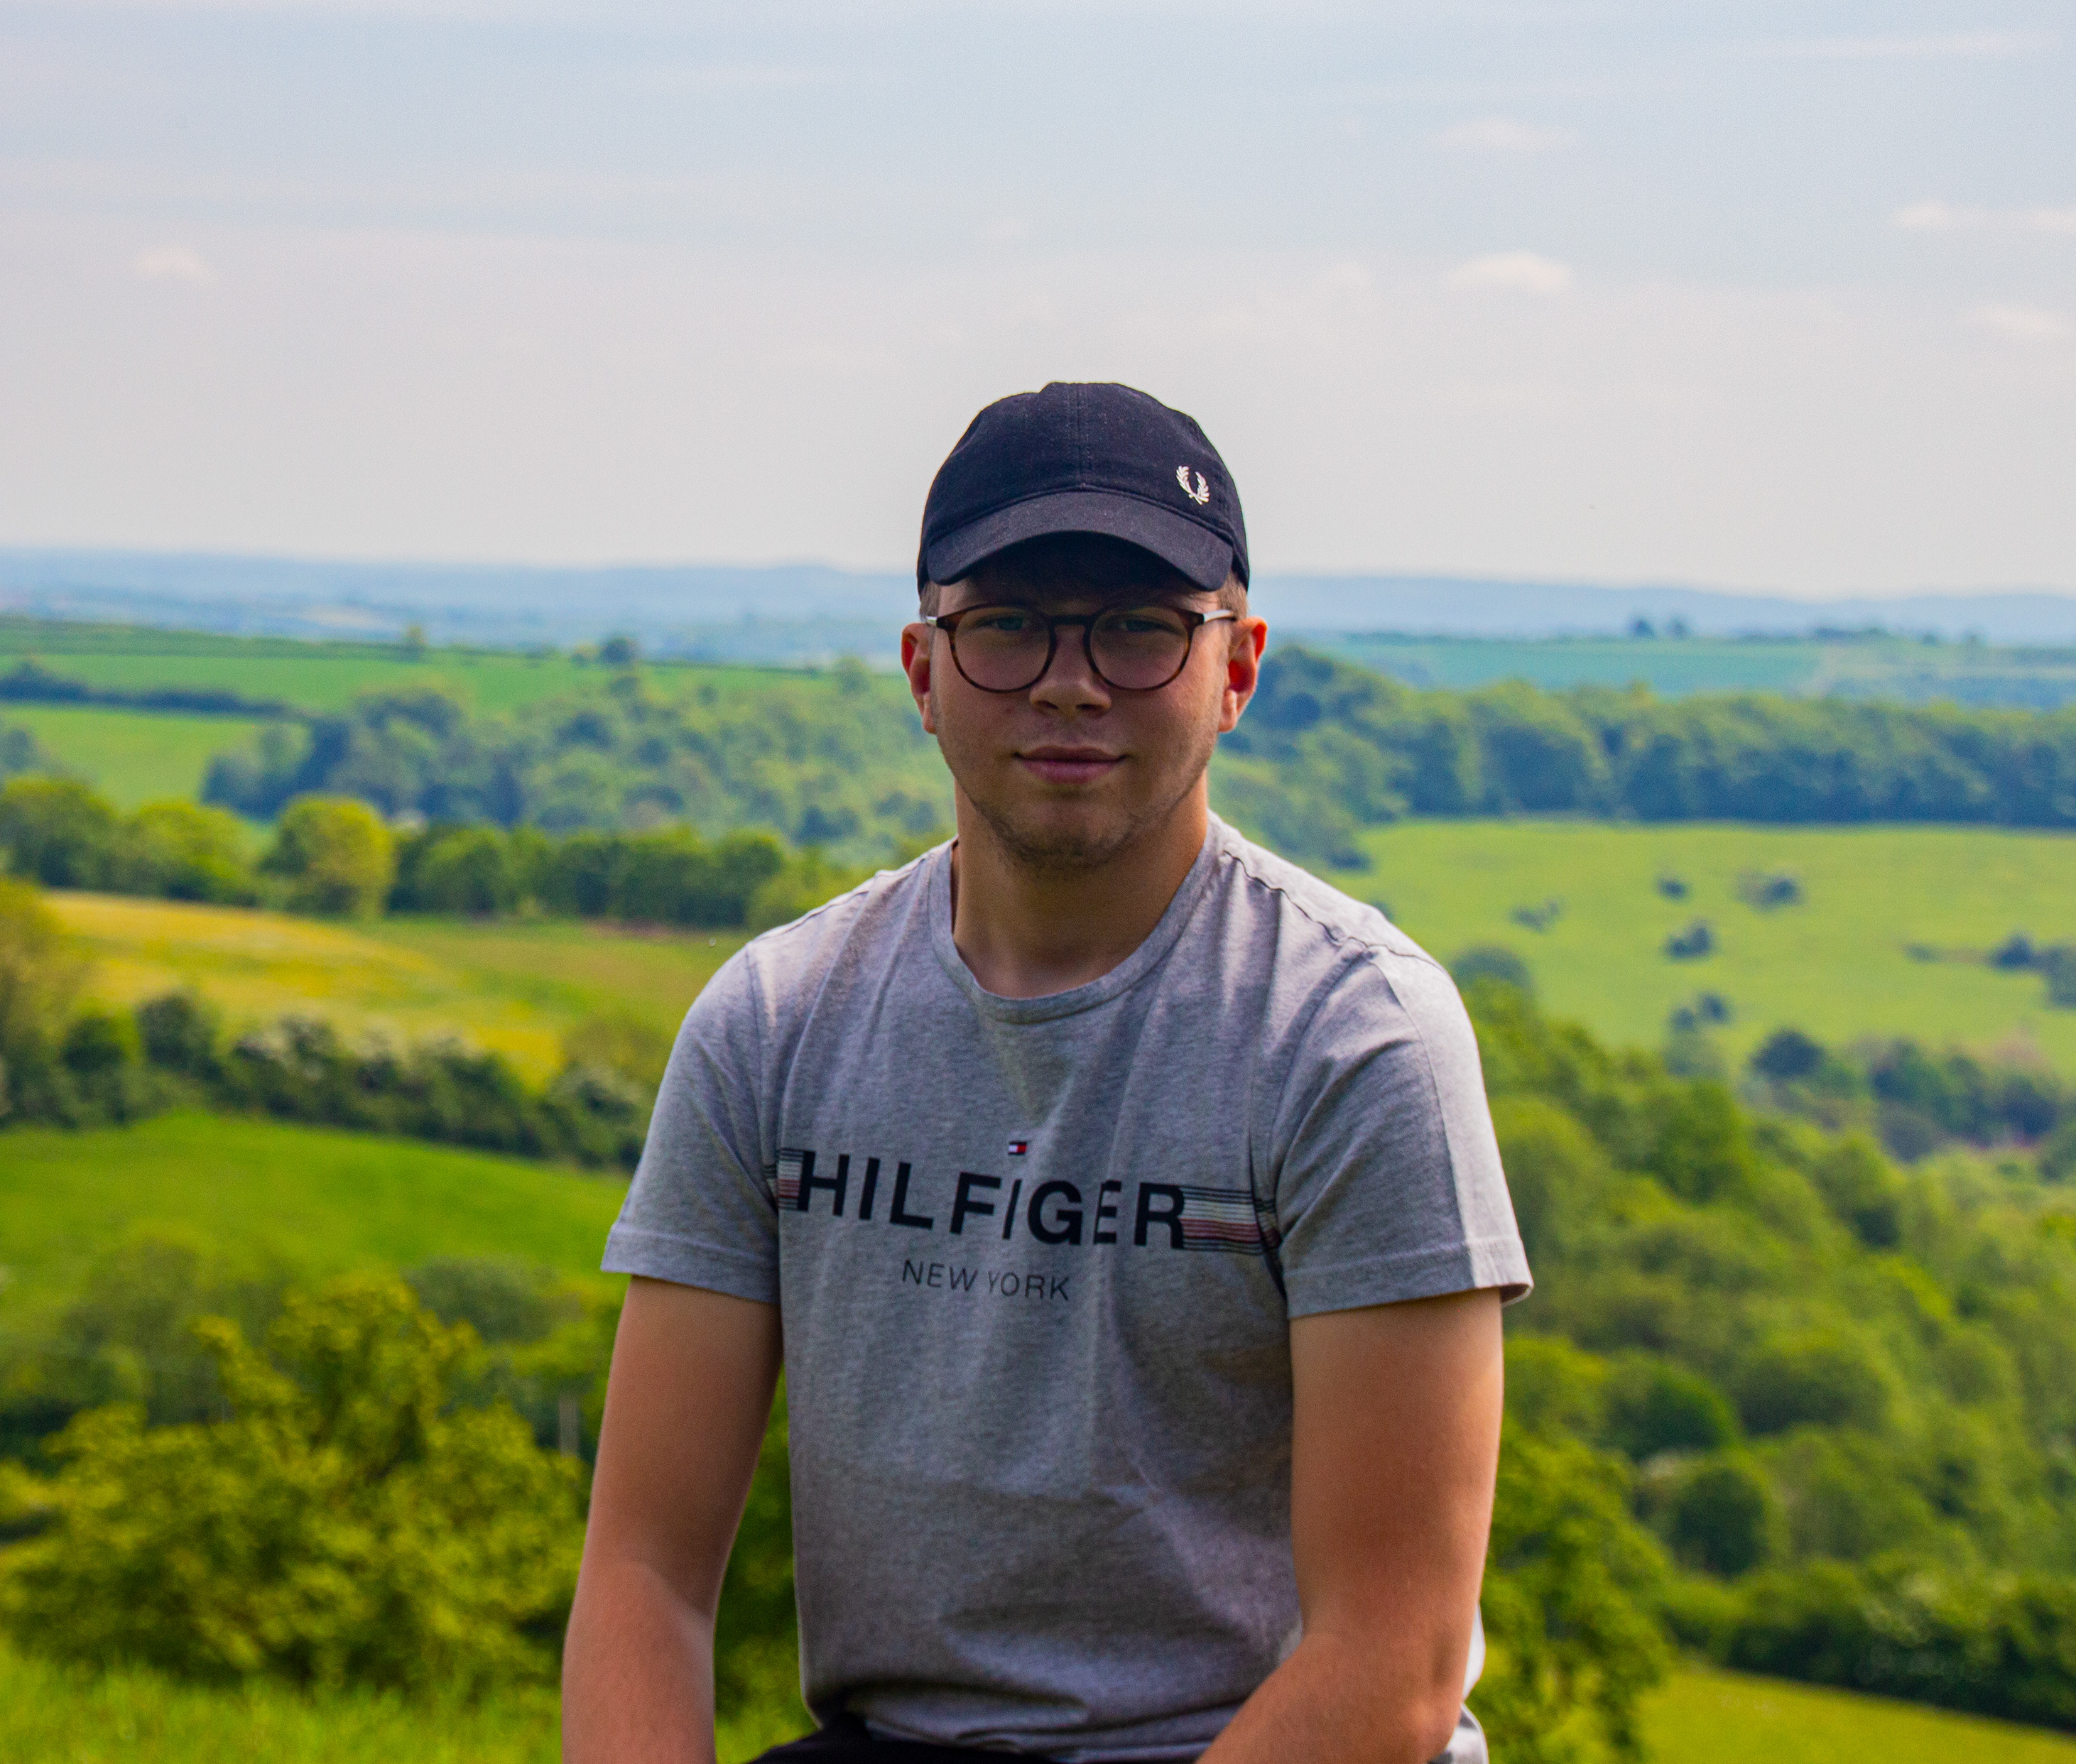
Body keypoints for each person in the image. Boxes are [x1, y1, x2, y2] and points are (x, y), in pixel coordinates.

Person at [562, 381, 1530, 1764]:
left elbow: (1394, 1662)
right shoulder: (775, 1022)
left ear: (1238, 668)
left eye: (1139, 627)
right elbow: (643, 1575)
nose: (1070, 679)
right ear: (922, 669)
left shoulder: (1354, 1038)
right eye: (1008, 624)